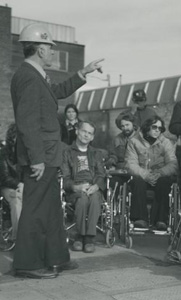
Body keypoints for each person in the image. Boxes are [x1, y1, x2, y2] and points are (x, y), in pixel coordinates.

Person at [10, 23, 103, 279]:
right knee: (35, 210)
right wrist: (36, 159)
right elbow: (27, 121)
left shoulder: (36, 75)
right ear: (40, 49)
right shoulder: (28, 76)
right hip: (40, 156)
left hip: (48, 155)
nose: (53, 53)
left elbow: (57, 93)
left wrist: (83, 72)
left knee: (50, 210)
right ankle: (28, 264)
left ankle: (55, 258)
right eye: (50, 49)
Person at [61, 121, 107, 254]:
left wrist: (97, 186)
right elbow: (65, 177)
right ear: (77, 131)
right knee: (82, 199)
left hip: (92, 187)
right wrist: (76, 187)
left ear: (92, 137)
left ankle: (89, 238)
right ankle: (79, 236)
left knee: (94, 198)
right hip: (75, 189)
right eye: (84, 131)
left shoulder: (96, 153)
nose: (86, 135)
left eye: (90, 133)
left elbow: (100, 174)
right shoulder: (67, 152)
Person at [126, 116, 178, 231]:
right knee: (137, 181)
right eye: (154, 127)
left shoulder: (166, 142)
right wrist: (146, 175)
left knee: (164, 182)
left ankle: (160, 220)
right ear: (147, 127)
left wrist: (160, 173)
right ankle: (140, 219)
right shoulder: (134, 142)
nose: (157, 130)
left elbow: (172, 164)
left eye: (160, 128)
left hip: (159, 175)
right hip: (142, 175)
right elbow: (131, 164)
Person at [0, 124, 21, 250]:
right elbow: (4, 177)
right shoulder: (3, 153)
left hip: (23, 186)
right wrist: (19, 185)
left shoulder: (25, 153)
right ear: (12, 137)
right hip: (7, 187)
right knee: (16, 201)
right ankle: (19, 239)